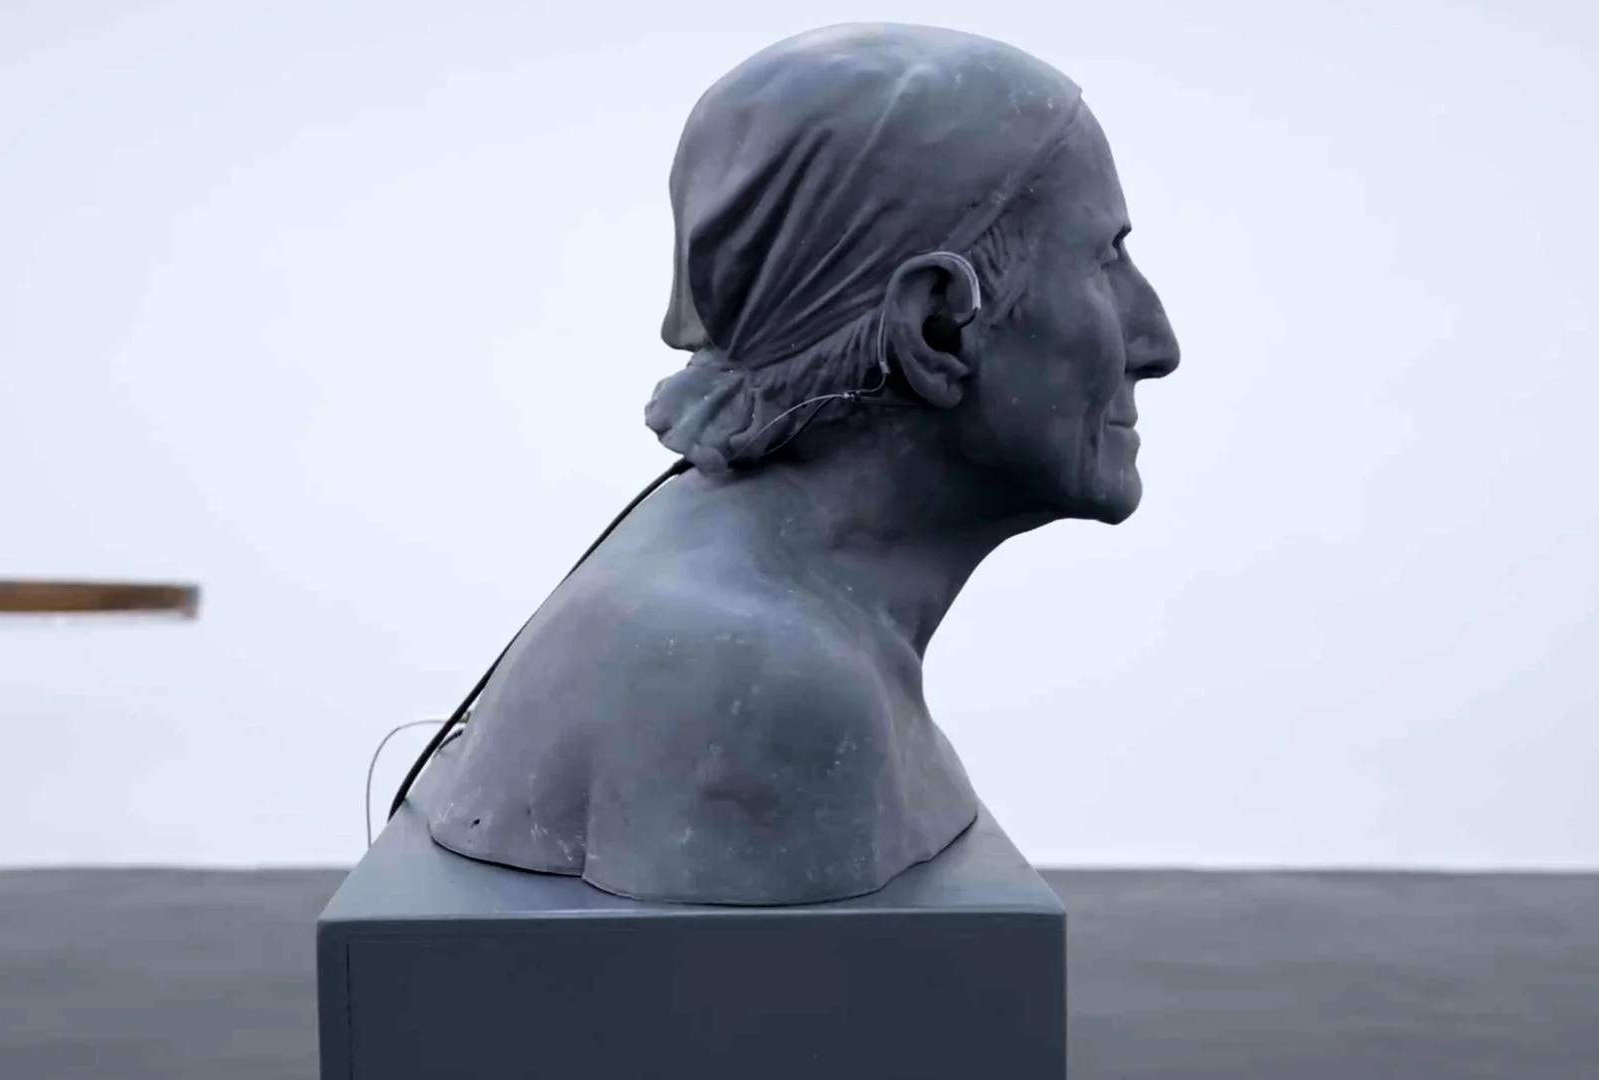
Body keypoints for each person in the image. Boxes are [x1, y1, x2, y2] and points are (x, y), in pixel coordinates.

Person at [425, 23, 1182, 905]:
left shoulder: (726, 599)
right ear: (937, 328)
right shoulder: (757, 688)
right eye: (1105, 260)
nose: (1156, 344)